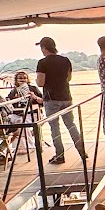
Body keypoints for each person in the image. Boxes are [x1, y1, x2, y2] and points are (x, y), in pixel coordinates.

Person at [35, 36, 85, 165]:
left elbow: (40, 83)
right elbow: (69, 78)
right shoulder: (65, 60)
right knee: (71, 125)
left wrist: (36, 81)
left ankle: (60, 155)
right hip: (66, 97)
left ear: (44, 48)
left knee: (55, 128)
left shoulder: (42, 63)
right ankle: (82, 151)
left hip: (51, 99)